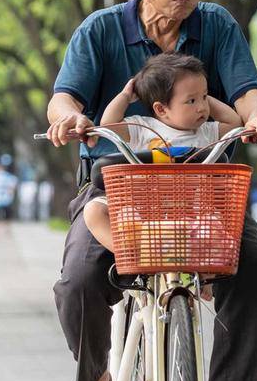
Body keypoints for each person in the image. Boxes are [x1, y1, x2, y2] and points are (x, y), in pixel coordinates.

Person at [45, 0, 257, 381]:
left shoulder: (218, 25)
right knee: (81, 275)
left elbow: (248, 92)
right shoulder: (101, 30)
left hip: (206, 186)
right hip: (121, 184)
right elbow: (64, 97)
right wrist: (69, 118)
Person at [83, 53, 241, 252]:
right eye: (191, 101)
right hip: (142, 209)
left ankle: (205, 282)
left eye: (204, 98)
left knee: (216, 230)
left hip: (191, 211)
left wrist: (198, 92)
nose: (202, 107)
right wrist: (125, 96)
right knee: (94, 211)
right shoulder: (143, 127)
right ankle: (132, 255)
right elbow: (109, 125)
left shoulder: (206, 131)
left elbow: (234, 123)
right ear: (161, 109)